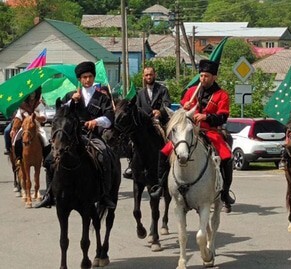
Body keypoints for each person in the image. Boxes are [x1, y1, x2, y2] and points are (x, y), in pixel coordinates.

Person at [154, 59, 235, 213]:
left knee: (226, 156)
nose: (202, 79)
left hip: (209, 132)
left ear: (214, 77)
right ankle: (160, 185)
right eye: (201, 75)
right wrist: (184, 108)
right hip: (188, 131)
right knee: (164, 151)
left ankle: (224, 192)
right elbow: (181, 114)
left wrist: (207, 118)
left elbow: (223, 117)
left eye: (206, 76)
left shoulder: (221, 95)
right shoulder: (191, 92)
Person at [35, 61, 116, 209]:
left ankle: (104, 195)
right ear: (79, 79)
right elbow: (60, 114)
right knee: (49, 159)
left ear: (93, 78)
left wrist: (96, 121)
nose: (87, 80)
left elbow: (110, 117)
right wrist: (72, 101)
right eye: (84, 77)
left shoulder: (102, 98)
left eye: (90, 76)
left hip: (92, 137)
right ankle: (49, 194)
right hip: (70, 138)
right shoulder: (70, 96)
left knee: (104, 155)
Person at [122, 66, 172, 179]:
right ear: (143, 77)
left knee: (169, 139)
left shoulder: (162, 90)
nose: (149, 77)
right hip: (144, 125)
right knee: (131, 142)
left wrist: (160, 111)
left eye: (151, 74)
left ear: (155, 75)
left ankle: (169, 163)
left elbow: (167, 105)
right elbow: (137, 109)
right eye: (146, 75)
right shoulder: (139, 93)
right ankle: (131, 165)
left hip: (159, 123)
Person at [10, 88, 51, 162]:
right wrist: (13, 129)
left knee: (46, 140)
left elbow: (44, 117)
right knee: (16, 140)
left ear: (36, 93)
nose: (32, 94)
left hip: (37, 127)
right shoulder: (23, 105)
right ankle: (19, 158)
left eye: (34, 93)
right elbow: (18, 117)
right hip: (25, 127)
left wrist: (37, 117)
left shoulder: (39, 104)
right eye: (30, 93)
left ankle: (46, 160)